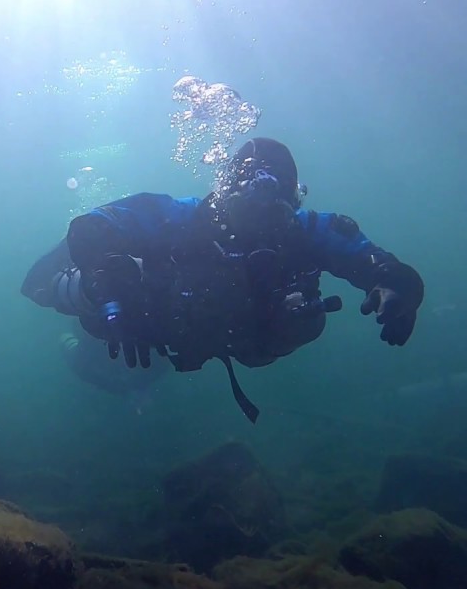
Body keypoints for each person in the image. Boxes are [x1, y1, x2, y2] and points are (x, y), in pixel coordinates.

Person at [22, 137, 424, 422]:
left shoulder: (308, 231)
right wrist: (107, 274)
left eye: (274, 209)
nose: (261, 224)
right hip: (146, 326)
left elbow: (370, 257)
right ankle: (71, 334)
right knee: (108, 345)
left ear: (293, 204)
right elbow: (95, 226)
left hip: (208, 337)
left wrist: (397, 285)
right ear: (223, 196)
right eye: (250, 206)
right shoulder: (183, 218)